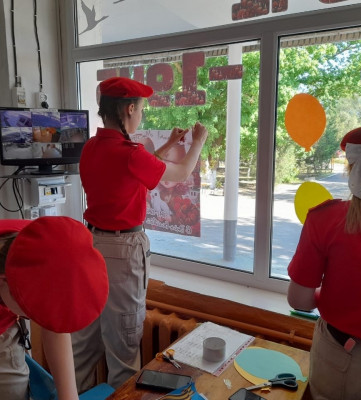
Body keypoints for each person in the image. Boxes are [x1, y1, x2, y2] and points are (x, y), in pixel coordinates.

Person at [72, 76, 208, 392]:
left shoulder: (91, 147)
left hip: (90, 245)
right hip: (122, 251)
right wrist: (198, 141)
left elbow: (136, 168)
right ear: (129, 109)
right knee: (123, 350)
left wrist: (169, 145)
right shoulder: (130, 154)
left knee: (84, 345)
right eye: (141, 110)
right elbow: (180, 173)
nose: (142, 116)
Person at [287, 120, 361, 400]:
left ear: (354, 167)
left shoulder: (326, 218)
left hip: (338, 355)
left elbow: (299, 300)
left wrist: (330, 297)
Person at [0, 216, 109, 400]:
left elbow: (54, 326)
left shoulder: (41, 244)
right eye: (31, 311)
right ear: (4, 280)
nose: (36, 319)